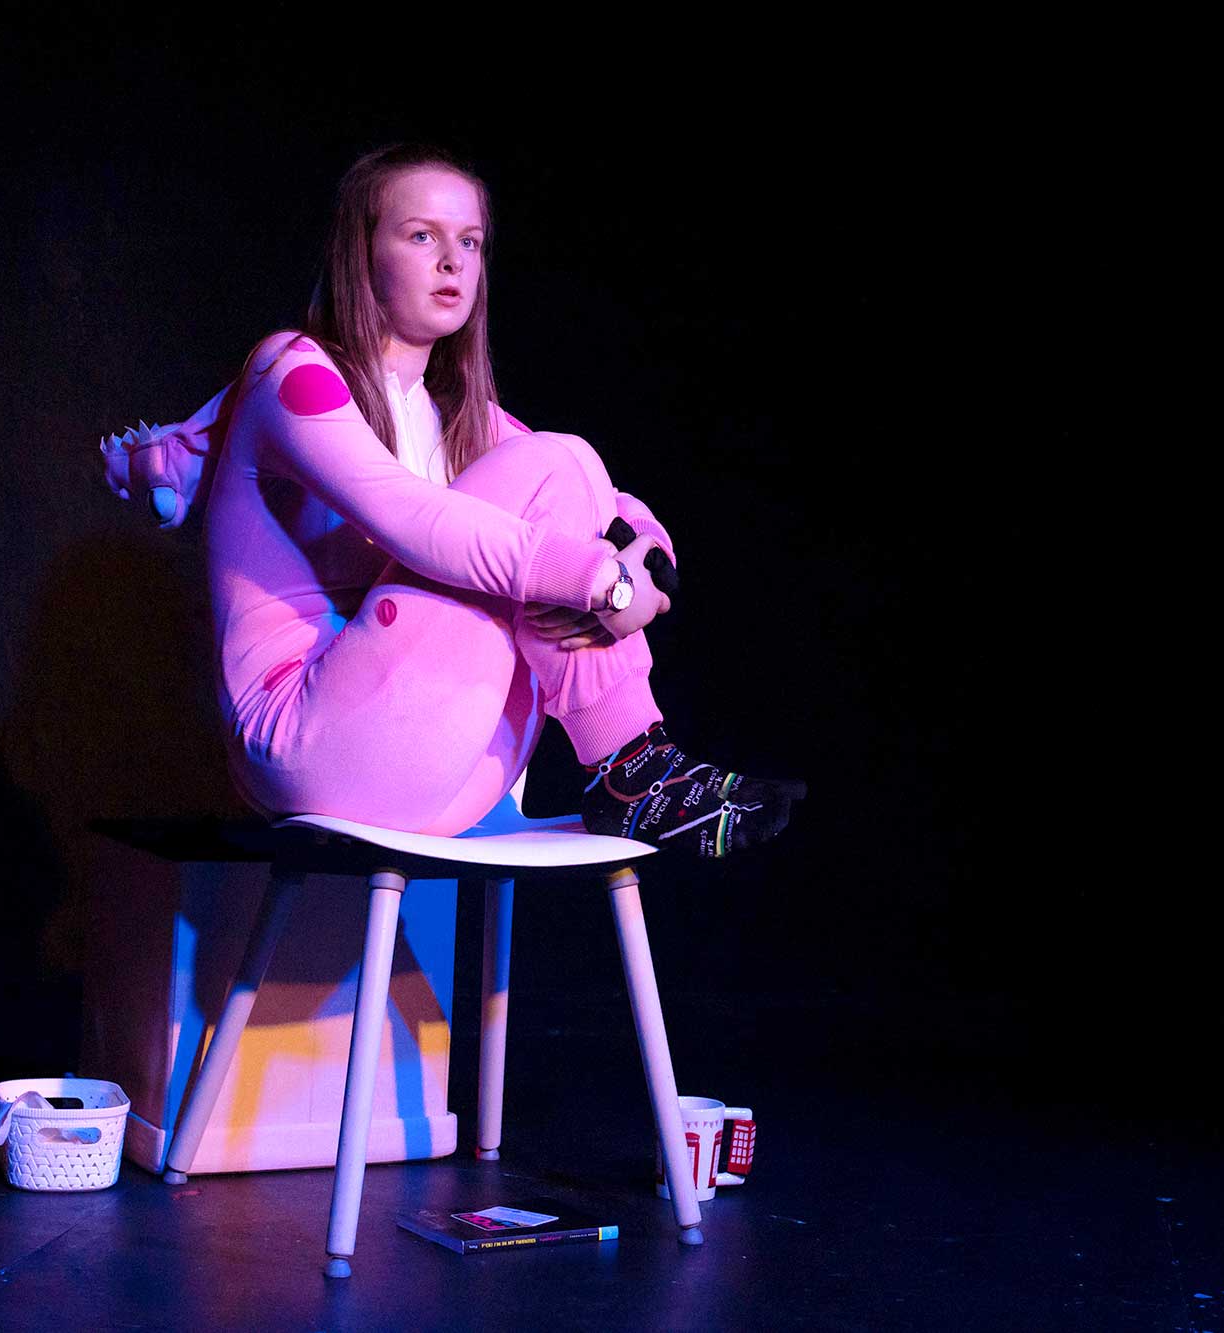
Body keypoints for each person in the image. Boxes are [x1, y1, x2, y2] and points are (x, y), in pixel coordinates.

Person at [102, 144, 803, 857]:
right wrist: (602, 581)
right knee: (551, 467)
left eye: (469, 242)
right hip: (309, 745)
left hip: (447, 766)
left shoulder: (461, 416)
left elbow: (606, 499)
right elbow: (410, 518)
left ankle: (633, 767)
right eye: (421, 236)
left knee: (569, 465)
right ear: (360, 255)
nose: (452, 263)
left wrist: (648, 564)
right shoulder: (291, 373)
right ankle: (629, 767)